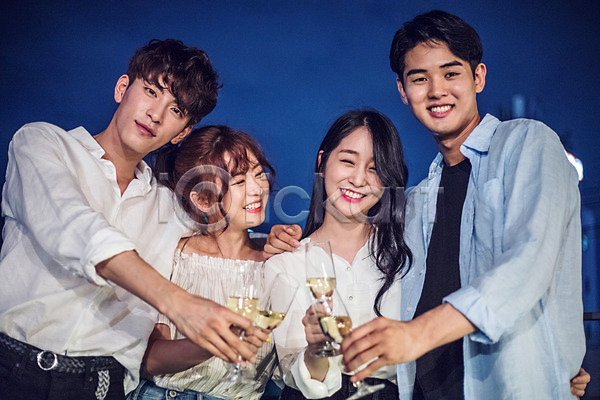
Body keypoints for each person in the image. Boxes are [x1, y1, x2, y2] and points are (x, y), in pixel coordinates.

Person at [264, 10, 590, 399]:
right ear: (403, 91)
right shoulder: (418, 203)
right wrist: (264, 243)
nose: (436, 90)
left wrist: (554, 360)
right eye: (420, 78)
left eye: (451, 73)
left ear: (478, 77)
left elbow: (529, 262)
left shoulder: (526, 144)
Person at [0, 39, 260, 399]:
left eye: (176, 110)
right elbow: (75, 228)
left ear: (182, 132)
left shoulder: (171, 209)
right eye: (151, 91)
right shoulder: (41, 144)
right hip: (11, 367)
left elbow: (226, 231)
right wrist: (179, 304)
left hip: (103, 386)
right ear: (122, 88)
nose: (156, 114)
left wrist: (273, 242)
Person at [265, 109, 412, 399]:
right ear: (322, 162)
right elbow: (296, 376)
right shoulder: (285, 264)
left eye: (375, 168)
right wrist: (316, 349)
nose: (358, 179)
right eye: (347, 161)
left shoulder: (406, 256)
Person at [127, 125, 276, 400]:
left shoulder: (277, 259)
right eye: (239, 182)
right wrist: (214, 343)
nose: (257, 189)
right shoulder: (176, 255)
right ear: (203, 200)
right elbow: (150, 359)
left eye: (258, 174)